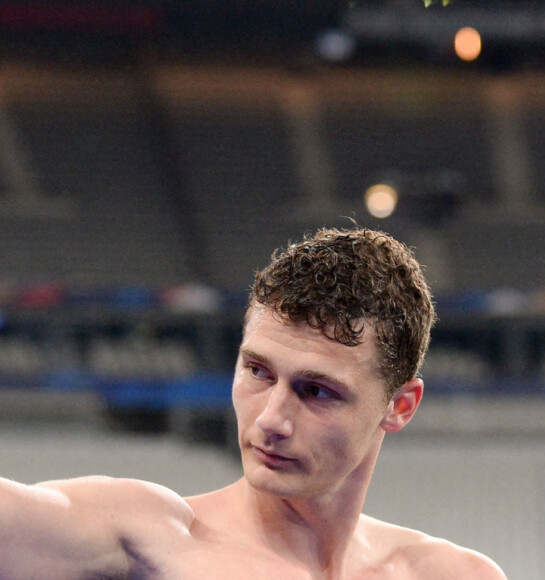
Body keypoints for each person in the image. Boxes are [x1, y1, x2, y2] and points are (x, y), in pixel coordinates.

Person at [0, 226, 508, 579]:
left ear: (399, 405)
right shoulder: (149, 539)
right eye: (257, 371)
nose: (271, 420)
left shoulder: (458, 575)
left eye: (317, 391)